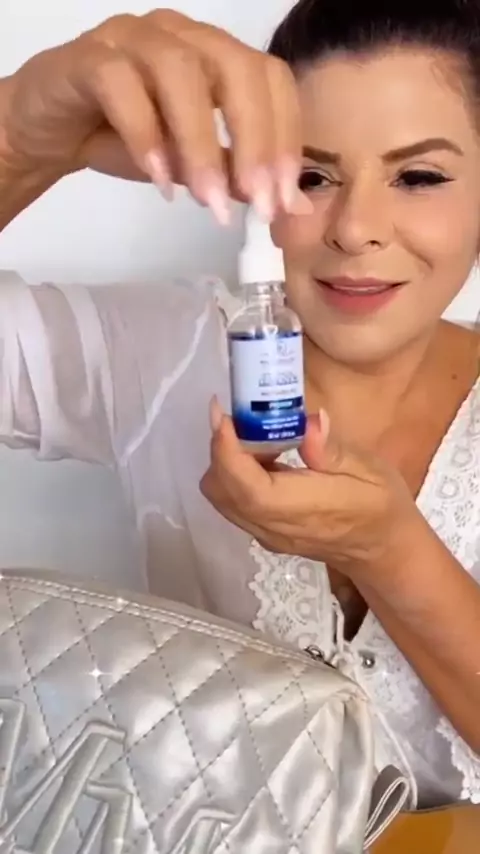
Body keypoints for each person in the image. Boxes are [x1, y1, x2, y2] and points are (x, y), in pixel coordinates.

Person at [0, 0, 479, 810]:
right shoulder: (161, 352)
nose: (355, 229)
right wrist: (16, 136)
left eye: (418, 177)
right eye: (311, 176)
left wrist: (390, 551)